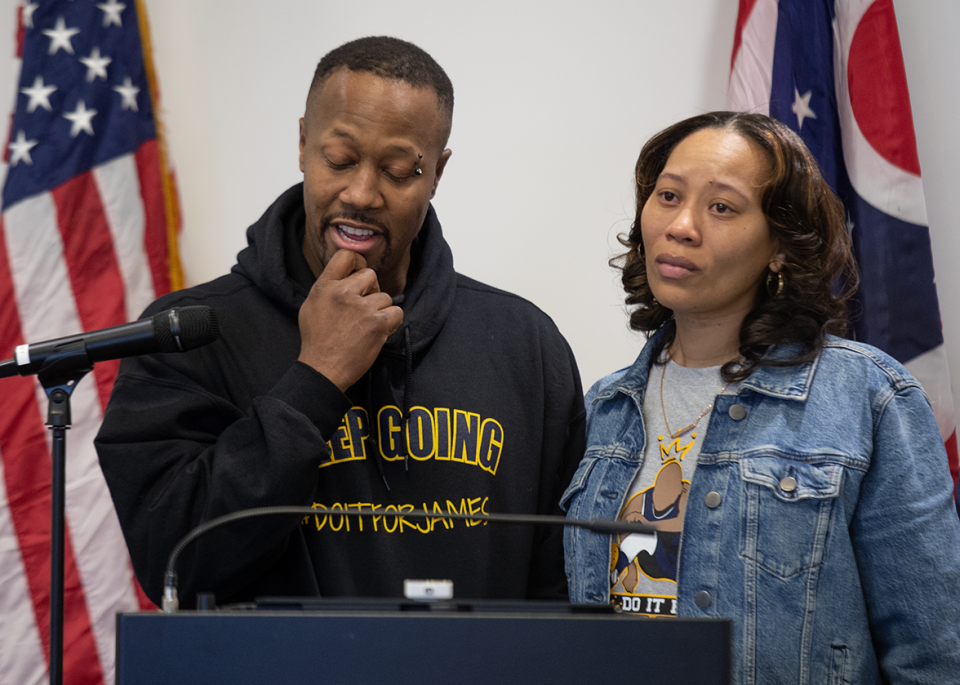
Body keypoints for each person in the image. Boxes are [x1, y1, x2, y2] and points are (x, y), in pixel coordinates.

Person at [95, 36, 585, 608]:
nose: (362, 193)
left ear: (438, 172)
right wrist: (316, 380)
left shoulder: (525, 346)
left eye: (400, 170)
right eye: (340, 160)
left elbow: (559, 590)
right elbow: (173, 567)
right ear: (303, 142)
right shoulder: (190, 335)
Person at [562, 112, 960, 682]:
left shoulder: (869, 398)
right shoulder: (604, 407)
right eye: (668, 196)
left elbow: (933, 657)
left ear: (780, 246)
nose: (682, 226)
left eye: (721, 207)